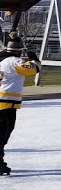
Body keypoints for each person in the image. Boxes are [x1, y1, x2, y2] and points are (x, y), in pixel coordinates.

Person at [0, 34, 41, 176]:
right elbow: (35, 69)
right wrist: (33, 58)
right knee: (3, 133)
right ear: (19, 51)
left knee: (3, 133)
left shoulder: (3, 60)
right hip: (6, 102)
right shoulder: (14, 62)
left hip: (5, 101)